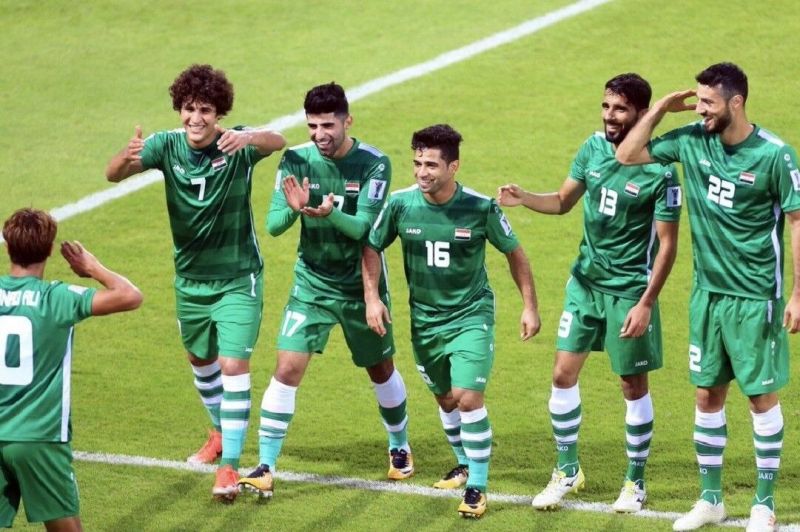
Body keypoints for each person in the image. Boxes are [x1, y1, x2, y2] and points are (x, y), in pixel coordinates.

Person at [616, 62, 800, 532]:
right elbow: (627, 154)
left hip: (755, 297)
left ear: (736, 102)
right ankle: (711, 500)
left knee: (760, 397)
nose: (700, 110)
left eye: (708, 103)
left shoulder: (775, 155)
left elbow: (797, 221)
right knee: (706, 394)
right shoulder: (692, 140)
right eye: (698, 101)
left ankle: (763, 504)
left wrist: (798, 293)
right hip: (707, 296)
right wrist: (660, 108)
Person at [498, 73, 681, 514]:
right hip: (584, 284)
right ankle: (567, 470)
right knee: (562, 374)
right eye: (606, 106)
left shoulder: (661, 170)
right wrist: (525, 197)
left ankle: (635, 481)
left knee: (631, 384)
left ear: (641, 113)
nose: (609, 116)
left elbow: (668, 245)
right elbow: (563, 201)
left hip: (628, 291)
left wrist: (646, 303)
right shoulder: (592, 148)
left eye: (620, 109)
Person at [105, 64, 286, 501]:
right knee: (200, 359)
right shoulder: (166, 145)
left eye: (205, 110)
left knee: (232, 366)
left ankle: (229, 467)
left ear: (219, 113)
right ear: (179, 109)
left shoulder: (236, 144)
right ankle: (220, 434)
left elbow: (277, 140)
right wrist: (126, 155)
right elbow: (113, 175)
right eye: (189, 108)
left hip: (237, 278)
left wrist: (249, 138)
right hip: (190, 280)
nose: (196, 118)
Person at [236, 82, 413, 498]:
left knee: (380, 369)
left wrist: (329, 214)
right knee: (286, 368)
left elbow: (365, 229)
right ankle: (265, 465)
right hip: (311, 284)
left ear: (347, 121)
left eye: (328, 125)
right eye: (313, 125)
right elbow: (274, 225)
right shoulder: (296, 159)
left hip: (359, 285)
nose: (320, 134)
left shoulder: (374, 164)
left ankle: (399, 445)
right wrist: (296, 209)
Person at [363, 124, 541, 518]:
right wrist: (371, 297)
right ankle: (463, 462)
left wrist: (529, 306)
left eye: (431, 164)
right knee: (446, 398)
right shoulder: (399, 205)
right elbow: (372, 246)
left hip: (470, 315)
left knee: (468, 397)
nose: (421, 172)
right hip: (425, 321)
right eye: (417, 163)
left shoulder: (480, 208)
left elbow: (515, 253)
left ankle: (477, 486)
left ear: (453, 167)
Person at [0, 208, 142, 531]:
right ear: (50, 250)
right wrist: (92, 267)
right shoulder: (57, 298)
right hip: (39, 438)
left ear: (7, 245)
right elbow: (130, 296)